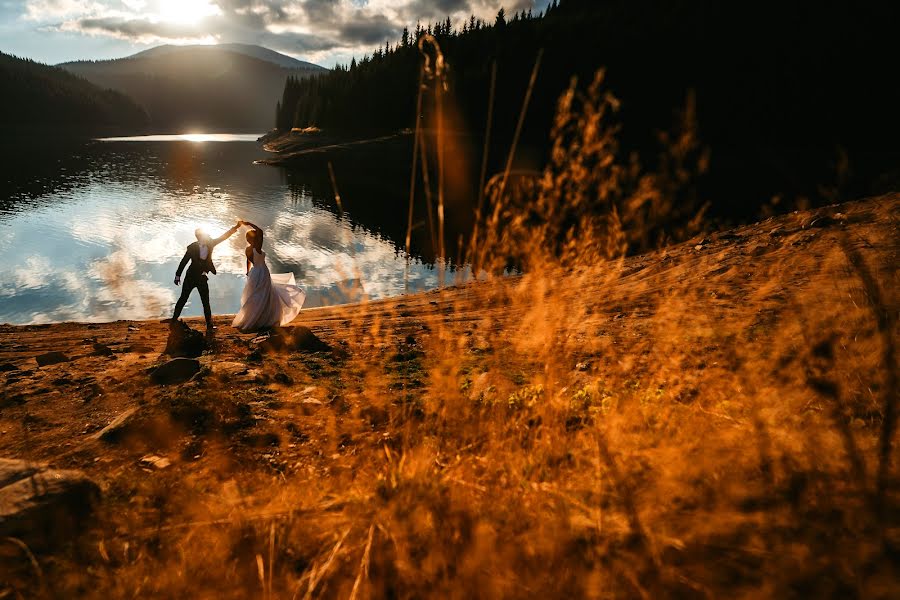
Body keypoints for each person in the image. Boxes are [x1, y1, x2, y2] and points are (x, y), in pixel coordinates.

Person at [169, 221, 241, 334]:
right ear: (199, 237)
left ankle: (209, 325)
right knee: (183, 298)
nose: (208, 236)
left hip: (202, 277)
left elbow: (224, 237)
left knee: (205, 301)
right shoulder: (192, 247)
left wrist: (235, 227)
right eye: (205, 235)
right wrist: (178, 276)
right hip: (191, 277)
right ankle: (173, 320)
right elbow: (184, 261)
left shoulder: (211, 243)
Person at [232, 220, 305, 332]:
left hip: (254, 272)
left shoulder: (248, 249)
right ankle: (262, 318)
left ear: (247, 239)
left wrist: (247, 271)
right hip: (262, 272)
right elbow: (260, 231)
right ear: (254, 239)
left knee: (255, 295)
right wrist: (248, 223)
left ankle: (255, 317)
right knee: (264, 295)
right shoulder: (257, 248)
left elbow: (248, 261)